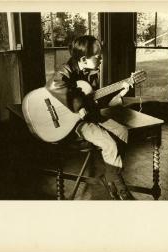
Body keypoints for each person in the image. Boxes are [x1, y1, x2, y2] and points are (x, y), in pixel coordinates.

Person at [45, 35, 135, 200]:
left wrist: (121, 92)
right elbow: (54, 85)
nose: (101, 58)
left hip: (91, 116)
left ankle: (109, 176)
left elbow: (96, 101)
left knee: (123, 131)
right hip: (73, 123)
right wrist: (78, 106)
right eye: (98, 55)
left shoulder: (93, 73)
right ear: (84, 59)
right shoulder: (66, 70)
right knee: (109, 144)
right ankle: (120, 187)